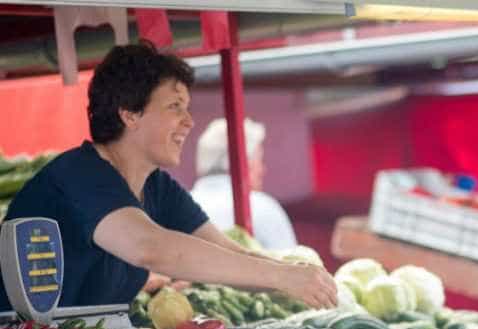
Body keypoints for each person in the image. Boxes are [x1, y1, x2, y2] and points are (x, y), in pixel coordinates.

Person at [0, 41, 336, 312]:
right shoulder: (78, 176)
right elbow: (150, 248)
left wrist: (297, 279)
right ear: (130, 114)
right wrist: (280, 274)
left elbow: (229, 254)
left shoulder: (156, 186)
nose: (189, 122)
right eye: (175, 106)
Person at [191, 117, 298, 251]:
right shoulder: (262, 206)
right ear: (245, 163)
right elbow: (292, 267)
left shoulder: (175, 208)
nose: (263, 170)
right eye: (260, 160)